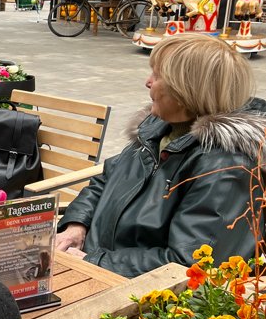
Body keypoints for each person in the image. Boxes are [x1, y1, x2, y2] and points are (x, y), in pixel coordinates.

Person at [55, 33, 266, 277]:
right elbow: (105, 181)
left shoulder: (227, 168)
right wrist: (76, 225)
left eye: (157, 75)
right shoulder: (157, 130)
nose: (148, 82)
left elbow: (186, 266)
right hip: (94, 267)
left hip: (139, 296)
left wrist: (96, 261)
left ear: (185, 89)